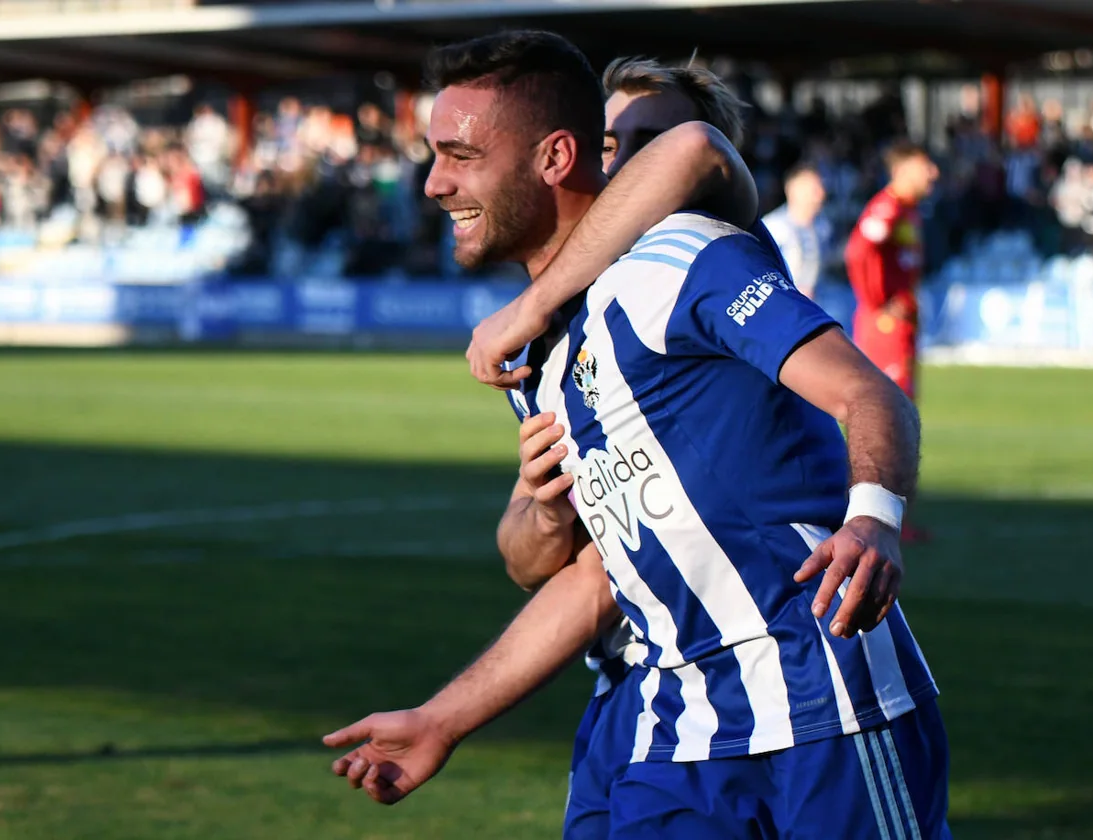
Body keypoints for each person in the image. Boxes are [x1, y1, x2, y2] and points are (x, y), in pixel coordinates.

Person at [326, 33, 948, 839]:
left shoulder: (683, 255)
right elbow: (592, 576)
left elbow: (873, 397)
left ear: (554, 156)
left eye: (457, 155)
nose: (434, 184)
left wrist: (873, 517)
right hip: (674, 718)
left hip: (821, 691)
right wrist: (445, 717)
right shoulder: (542, 358)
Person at [844, 141, 939, 546]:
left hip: (900, 325)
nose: (933, 173)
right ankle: (873, 517)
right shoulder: (886, 209)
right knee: (887, 416)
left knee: (900, 415)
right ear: (903, 170)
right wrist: (879, 301)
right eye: (924, 166)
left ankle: (895, 518)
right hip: (885, 327)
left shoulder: (907, 210)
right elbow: (858, 251)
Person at [762, 162, 829, 300]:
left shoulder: (823, 226)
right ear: (793, 190)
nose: (820, 194)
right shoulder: (774, 227)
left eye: (821, 187)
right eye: (813, 189)